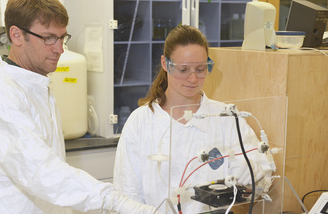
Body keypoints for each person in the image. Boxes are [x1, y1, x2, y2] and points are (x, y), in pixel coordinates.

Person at [0, 0, 163, 213]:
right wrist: (114, 200)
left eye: (62, 38)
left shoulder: (37, 83)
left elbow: (54, 171)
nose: (60, 49)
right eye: (48, 38)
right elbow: (43, 173)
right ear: (17, 35)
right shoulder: (0, 93)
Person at [113, 25, 274, 213]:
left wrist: (255, 172)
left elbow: (263, 174)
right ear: (165, 64)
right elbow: (126, 195)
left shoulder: (226, 117)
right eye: (183, 70)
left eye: (200, 69)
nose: (193, 79)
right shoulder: (141, 122)